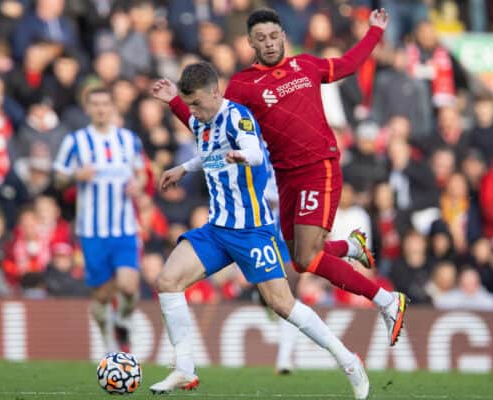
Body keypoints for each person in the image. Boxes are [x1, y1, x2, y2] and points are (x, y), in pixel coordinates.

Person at [155, 7, 408, 348]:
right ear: (250, 43)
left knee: (308, 258)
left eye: (274, 36)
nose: (270, 43)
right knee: (295, 257)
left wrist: (375, 31)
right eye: (261, 38)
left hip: (320, 167)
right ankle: (350, 246)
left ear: (283, 37)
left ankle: (387, 301)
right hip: (285, 176)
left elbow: (349, 63)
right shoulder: (244, 85)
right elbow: (215, 128)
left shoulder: (307, 65)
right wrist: (176, 102)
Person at [149, 62, 370, 399]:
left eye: (195, 104)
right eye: (188, 105)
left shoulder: (238, 116)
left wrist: (243, 156)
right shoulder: (201, 121)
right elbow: (209, 154)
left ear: (215, 91)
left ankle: (348, 361)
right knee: (167, 282)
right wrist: (184, 167)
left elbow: (254, 151)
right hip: (217, 228)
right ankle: (185, 369)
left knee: (282, 304)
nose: (192, 111)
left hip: (252, 231)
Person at [53, 87, 145, 352]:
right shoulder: (76, 141)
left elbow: (140, 173)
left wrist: (138, 185)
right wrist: (74, 176)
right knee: (101, 295)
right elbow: (58, 177)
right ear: (88, 109)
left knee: (129, 286)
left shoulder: (129, 140)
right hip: (92, 230)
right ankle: (107, 342)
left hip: (124, 228)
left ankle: (123, 319)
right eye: (95, 104)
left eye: (105, 103)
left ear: (113, 107)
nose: (101, 109)